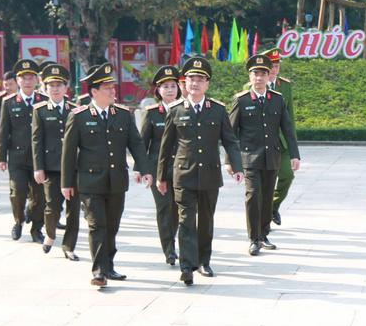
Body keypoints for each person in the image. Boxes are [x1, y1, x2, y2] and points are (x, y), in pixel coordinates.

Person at [61, 63, 153, 287]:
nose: (113, 91)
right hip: (90, 181)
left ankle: (109, 265)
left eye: (113, 87)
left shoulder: (122, 114)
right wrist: (66, 183)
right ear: (94, 91)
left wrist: (145, 168)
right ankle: (99, 271)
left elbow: (136, 144)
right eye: (107, 88)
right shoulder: (79, 116)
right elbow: (69, 151)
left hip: (116, 180)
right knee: (97, 225)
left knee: (112, 225)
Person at [156, 56, 243, 286]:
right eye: (191, 79)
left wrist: (237, 166)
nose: (195, 83)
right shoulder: (175, 110)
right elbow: (165, 147)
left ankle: (204, 261)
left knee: (206, 220)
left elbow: (230, 141)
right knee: (185, 220)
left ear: (207, 84)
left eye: (200, 79)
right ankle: (186, 266)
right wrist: (161, 177)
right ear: (184, 83)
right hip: (182, 174)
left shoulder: (217, 110)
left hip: (210, 175)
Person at [229, 53, 300, 255]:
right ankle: (253, 238)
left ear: (269, 76)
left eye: (263, 74)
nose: (258, 78)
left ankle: (264, 233)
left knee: (268, 196)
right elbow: (230, 134)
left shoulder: (277, 100)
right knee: (253, 196)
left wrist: (294, 154)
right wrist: (230, 162)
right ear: (250, 76)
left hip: (272, 156)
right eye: (255, 74)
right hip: (249, 158)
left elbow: (287, 129)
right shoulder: (241, 100)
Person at [32, 62, 80, 261]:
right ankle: (50, 234)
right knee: (51, 207)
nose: (55, 89)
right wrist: (38, 167)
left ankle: (69, 246)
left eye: (59, 85)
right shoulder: (40, 110)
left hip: (73, 167)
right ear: (45, 88)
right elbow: (36, 140)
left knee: (73, 210)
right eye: (51, 85)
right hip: (51, 167)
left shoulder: (75, 109)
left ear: (66, 87)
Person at [0, 59, 47, 242]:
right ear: (18, 80)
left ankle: (36, 229)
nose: (27, 81)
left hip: (39, 159)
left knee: (39, 198)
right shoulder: (9, 102)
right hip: (17, 157)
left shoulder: (44, 101)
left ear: (36, 80)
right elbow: (3, 132)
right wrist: (0, 157)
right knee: (17, 193)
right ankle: (18, 221)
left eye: (31, 78)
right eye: (23, 78)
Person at [140, 65, 182, 266]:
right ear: (158, 90)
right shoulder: (152, 113)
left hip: (182, 169)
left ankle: (171, 238)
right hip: (159, 170)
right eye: (165, 87)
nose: (170, 90)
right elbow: (142, 144)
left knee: (176, 210)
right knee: (164, 209)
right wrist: (142, 170)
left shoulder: (185, 110)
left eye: (173, 86)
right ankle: (169, 250)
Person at [265, 48, 296, 226]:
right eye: (271, 66)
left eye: (276, 66)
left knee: (287, 175)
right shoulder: (250, 87)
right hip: (262, 143)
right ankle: (264, 214)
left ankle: (273, 206)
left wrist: (294, 150)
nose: (274, 70)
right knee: (266, 181)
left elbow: (290, 118)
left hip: (282, 141)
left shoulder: (285, 86)